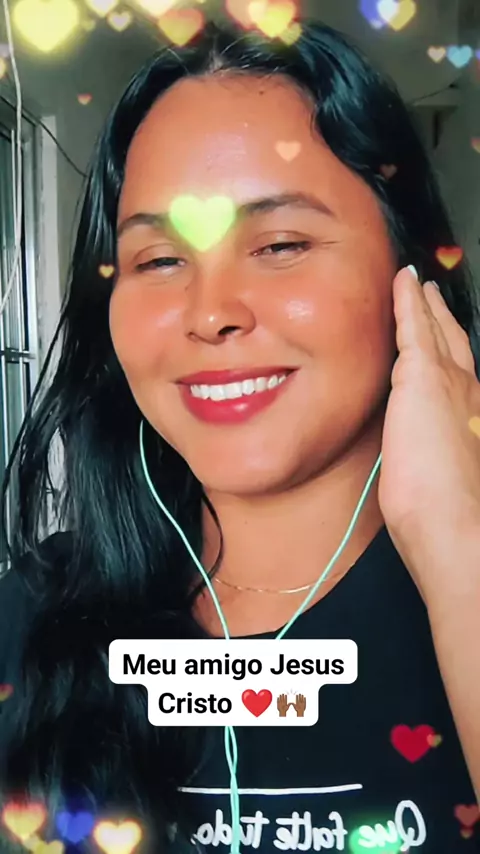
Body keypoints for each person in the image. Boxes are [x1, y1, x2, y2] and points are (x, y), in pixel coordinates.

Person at [0, 16, 480, 854]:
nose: (211, 312)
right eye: (159, 260)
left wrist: (460, 548)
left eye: (281, 244)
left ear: (410, 278)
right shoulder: (33, 618)